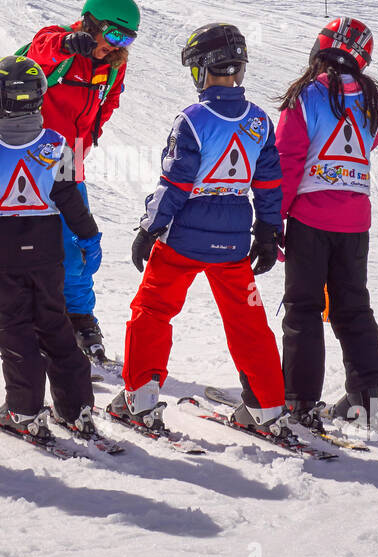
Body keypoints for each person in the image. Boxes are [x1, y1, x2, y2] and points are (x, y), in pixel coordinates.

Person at [111, 23, 286, 436]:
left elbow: (174, 184)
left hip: (183, 240)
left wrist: (149, 228)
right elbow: (269, 183)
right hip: (233, 243)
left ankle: (141, 399)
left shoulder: (191, 120)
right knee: (248, 321)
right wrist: (266, 231)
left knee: (152, 312)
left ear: (203, 71)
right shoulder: (259, 121)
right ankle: (268, 406)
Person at [0, 55, 102, 439]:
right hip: (48, 256)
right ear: (38, 98)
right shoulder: (56, 145)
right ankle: (77, 409)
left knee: (16, 333)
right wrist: (89, 238)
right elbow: (70, 200)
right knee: (55, 327)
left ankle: (24, 412)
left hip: (3, 259)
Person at [4, 0, 138, 365]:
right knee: (24, 242)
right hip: (30, 162)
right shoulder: (59, 42)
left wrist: (91, 137)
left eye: (126, 39)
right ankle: (26, 320)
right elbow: (38, 49)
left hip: (69, 165)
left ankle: (79, 319)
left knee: (77, 246)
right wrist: (67, 44)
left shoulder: (114, 63)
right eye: (112, 35)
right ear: (91, 22)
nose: (115, 46)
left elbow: (108, 101)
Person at [275, 17, 378, 431]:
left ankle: (300, 401)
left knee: (304, 308)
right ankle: (369, 397)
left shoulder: (306, 93)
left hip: (310, 215)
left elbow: (288, 157)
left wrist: (275, 216)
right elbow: (370, 141)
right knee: (352, 306)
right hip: (355, 219)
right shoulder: (370, 98)